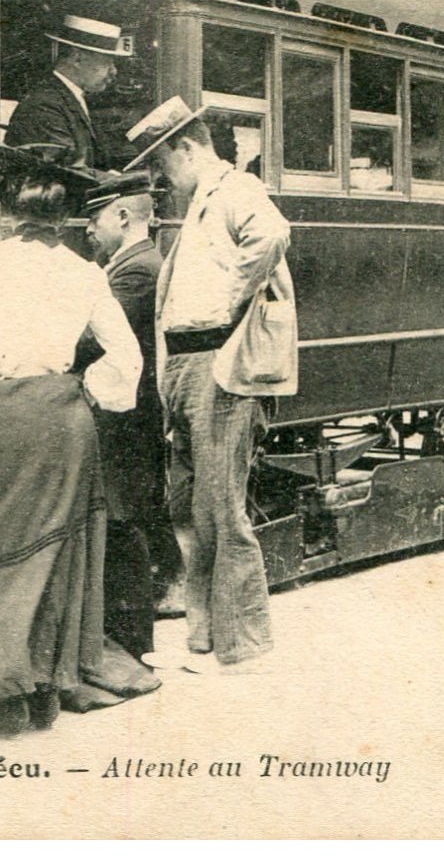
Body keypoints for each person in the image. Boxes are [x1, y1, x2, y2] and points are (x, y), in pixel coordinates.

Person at [0, 159, 143, 736]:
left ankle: (0, 697)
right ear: (65, 214)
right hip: (66, 417)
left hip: (8, 414)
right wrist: (85, 393)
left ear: (10, 210)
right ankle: (47, 685)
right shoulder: (86, 272)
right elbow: (128, 358)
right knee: (57, 553)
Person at [130, 96, 296, 676]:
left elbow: (272, 237)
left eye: (162, 165)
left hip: (219, 367)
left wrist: (226, 304)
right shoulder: (205, 199)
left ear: (188, 148)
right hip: (187, 368)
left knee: (221, 509)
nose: (160, 180)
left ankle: (242, 641)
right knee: (190, 507)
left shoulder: (236, 192)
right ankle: (204, 638)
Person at [79, 171, 172, 662]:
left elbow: (92, 339)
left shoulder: (135, 271)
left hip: (127, 418)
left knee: (122, 517)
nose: (89, 230)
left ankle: (131, 639)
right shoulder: (135, 263)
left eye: (94, 219)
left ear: (121, 215)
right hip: (132, 414)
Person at [4, 14, 133, 170]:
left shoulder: (67, 98)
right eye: (107, 62)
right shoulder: (45, 104)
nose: (114, 71)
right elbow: (65, 170)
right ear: (77, 58)